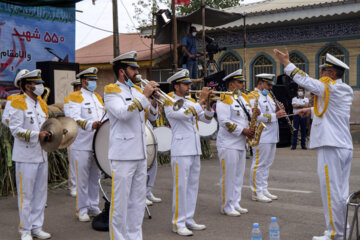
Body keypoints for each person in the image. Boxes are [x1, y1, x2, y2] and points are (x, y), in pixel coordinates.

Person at [274, 48, 353, 240]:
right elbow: (329, 106)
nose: (321, 74)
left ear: (333, 74)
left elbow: (308, 82)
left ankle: (335, 233)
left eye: (325, 71)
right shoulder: (343, 89)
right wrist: (310, 109)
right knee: (340, 192)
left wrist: (287, 63)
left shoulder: (331, 88)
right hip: (342, 146)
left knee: (331, 191)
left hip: (331, 147)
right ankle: (343, 227)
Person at [104, 51, 158, 240]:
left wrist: (154, 102)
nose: (137, 71)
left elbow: (151, 117)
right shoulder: (111, 91)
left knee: (137, 201)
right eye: (133, 68)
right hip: (123, 154)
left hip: (140, 152)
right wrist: (144, 96)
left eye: (137, 68)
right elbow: (122, 114)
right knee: (120, 203)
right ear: (122, 71)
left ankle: (135, 237)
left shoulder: (136, 91)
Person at [165, 69, 214, 236]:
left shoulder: (191, 101)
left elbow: (207, 119)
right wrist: (201, 100)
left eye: (189, 84)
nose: (189, 87)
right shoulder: (169, 100)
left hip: (194, 148)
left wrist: (207, 102)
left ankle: (188, 219)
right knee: (181, 187)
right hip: (180, 149)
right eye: (185, 84)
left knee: (192, 186)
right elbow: (184, 115)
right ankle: (177, 223)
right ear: (176, 86)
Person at [9, 69, 51, 240]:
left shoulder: (40, 104)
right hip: (25, 157)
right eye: (37, 83)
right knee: (26, 196)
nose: (40, 86)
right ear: (27, 86)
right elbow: (15, 130)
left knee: (40, 194)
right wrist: (36, 135)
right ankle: (25, 230)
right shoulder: (18, 103)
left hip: (42, 155)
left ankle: (36, 227)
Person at [216, 69, 256, 217]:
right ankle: (226, 206)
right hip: (228, 143)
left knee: (238, 176)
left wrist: (254, 116)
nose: (243, 84)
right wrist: (243, 131)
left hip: (240, 143)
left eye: (243, 82)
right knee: (228, 176)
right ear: (231, 84)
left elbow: (247, 117)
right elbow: (224, 121)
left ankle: (235, 202)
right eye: (240, 82)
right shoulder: (224, 98)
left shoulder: (243, 98)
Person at [68, 67, 104, 222]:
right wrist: (91, 125)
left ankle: (93, 205)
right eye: (91, 80)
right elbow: (73, 118)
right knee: (82, 179)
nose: (94, 82)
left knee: (95, 177)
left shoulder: (97, 97)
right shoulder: (75, 97)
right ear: (83, 81)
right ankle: (81, 209)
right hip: (81, 144)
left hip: (96, 144)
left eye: (95, 80)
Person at [248, 73, 286, 203]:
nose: (270, 87)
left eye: (271, 85)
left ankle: (263, 189)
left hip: (271, 135)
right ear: (261, 83)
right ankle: (256, 192)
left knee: (267, 164)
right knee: (259, 164)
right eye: (268, 84)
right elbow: (256, 116)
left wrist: (277, 109)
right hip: (261, 135)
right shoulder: (253, 96)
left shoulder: (268, 96)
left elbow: (270, 112)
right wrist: (276, 114)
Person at [63, 78, 82, 197]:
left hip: (86, 135)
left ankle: (82, 186)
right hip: (73, 134)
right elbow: (70, 116)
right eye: (77, 87)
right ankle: (73, 186)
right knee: (74, 162)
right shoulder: (68, 100)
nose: (79, 90)